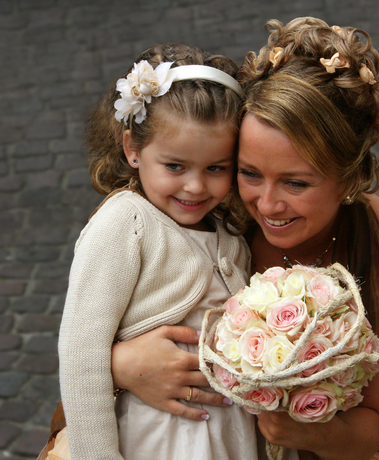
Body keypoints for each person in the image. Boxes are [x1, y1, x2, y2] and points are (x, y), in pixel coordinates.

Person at [110, 17, 379, 460]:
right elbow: (107, 305)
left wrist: (305, 432)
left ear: (350, 178)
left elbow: (372, 423)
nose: (266, 205)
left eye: (296, 184)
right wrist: (120, 364)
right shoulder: (211, 197)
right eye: (249, 172)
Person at [54, 43, 261, 460]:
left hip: (227, 436)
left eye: (216, 168)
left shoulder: (230, 235)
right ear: (132, 148)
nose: (196, 187)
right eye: (175, 166)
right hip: (159, 438)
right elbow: (81, 349)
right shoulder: (125, 223)